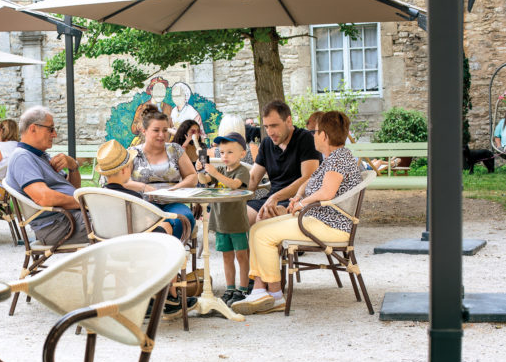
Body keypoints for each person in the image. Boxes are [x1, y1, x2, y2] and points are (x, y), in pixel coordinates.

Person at [231, 111, 362, 315]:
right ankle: (259, 290)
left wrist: (302, 203)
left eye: (315, 132)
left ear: (325, 136)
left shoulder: (338, 159)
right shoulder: (335, 157)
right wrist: (300, 196)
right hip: (318, 220)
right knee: (258, 228)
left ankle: (274, 295)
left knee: (263, 234)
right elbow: (313, 182)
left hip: (329, 225)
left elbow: (327, 192)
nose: (313, 135)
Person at [96, 139, 198, 316]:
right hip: (135, 249)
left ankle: (134, 298)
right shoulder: (133, 198)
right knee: (170, 238)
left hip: (107, 248)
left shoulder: (96, 195)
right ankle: (170, 296)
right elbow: (145, 228)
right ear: (124, 170)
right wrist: (166, 224)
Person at [4, 106, 89, 245]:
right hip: (61, 226)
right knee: (123, 221)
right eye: (50, 129)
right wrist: (86, 203)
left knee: (125, 217)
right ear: (33, 129)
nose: (54, 134)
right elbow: (43, 197)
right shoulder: (22, 157)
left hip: (69, 219)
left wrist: (73, 166)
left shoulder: (40, 155)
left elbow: (71, 187)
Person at [125, 105, 197, 239]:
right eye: (156, 130)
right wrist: (144, 187)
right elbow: (124, 182)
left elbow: (192, 177)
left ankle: (167, 250)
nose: (162, 135)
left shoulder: (175, 150)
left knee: (184, 218)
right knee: (146, 222)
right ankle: (162, 249)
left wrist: (174, 189)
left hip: (172, 202)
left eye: (165, 130)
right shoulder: (133, 152)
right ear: (144, 130)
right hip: (143, 203)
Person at [197, 132, 251, 306]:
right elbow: (205, 180)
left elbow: (235, 184)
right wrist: (200, 170)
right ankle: (230, 288)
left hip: (236, 222)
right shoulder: (219, 170)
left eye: (230, 152)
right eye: (221, 153)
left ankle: (242, 289)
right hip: (220, 221)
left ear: (242, 154)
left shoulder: (242, 171)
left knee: (241, 256)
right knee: (226, 257)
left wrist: (215, 173)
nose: (225, 156)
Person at [246, 100, 321, 226]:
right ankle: (247, 247)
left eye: (274, 125)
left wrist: (275, 197)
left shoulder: (306, 139)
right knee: (239, 217)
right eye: (266, 126)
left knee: (263, 219)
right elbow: (253, 178)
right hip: (271, 199)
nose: (270, 132)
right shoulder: (266, 143)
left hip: (298, 200)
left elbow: (308, 178)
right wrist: (231, 196)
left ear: (288, 121)